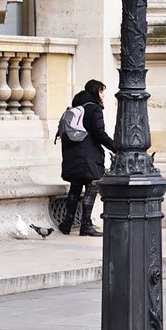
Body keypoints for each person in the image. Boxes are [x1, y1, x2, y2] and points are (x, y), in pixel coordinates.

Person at [57, 79, 114, 236]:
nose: (103, 95)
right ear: (96, 92)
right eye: (101, 92)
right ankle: (86, 225)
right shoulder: (94, 109)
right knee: (92, 185)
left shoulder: (76, 106)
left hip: (72, 154)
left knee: (75, 187)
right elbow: (99, 133)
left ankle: (67, 223)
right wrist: (116, 147)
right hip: (88, 155)